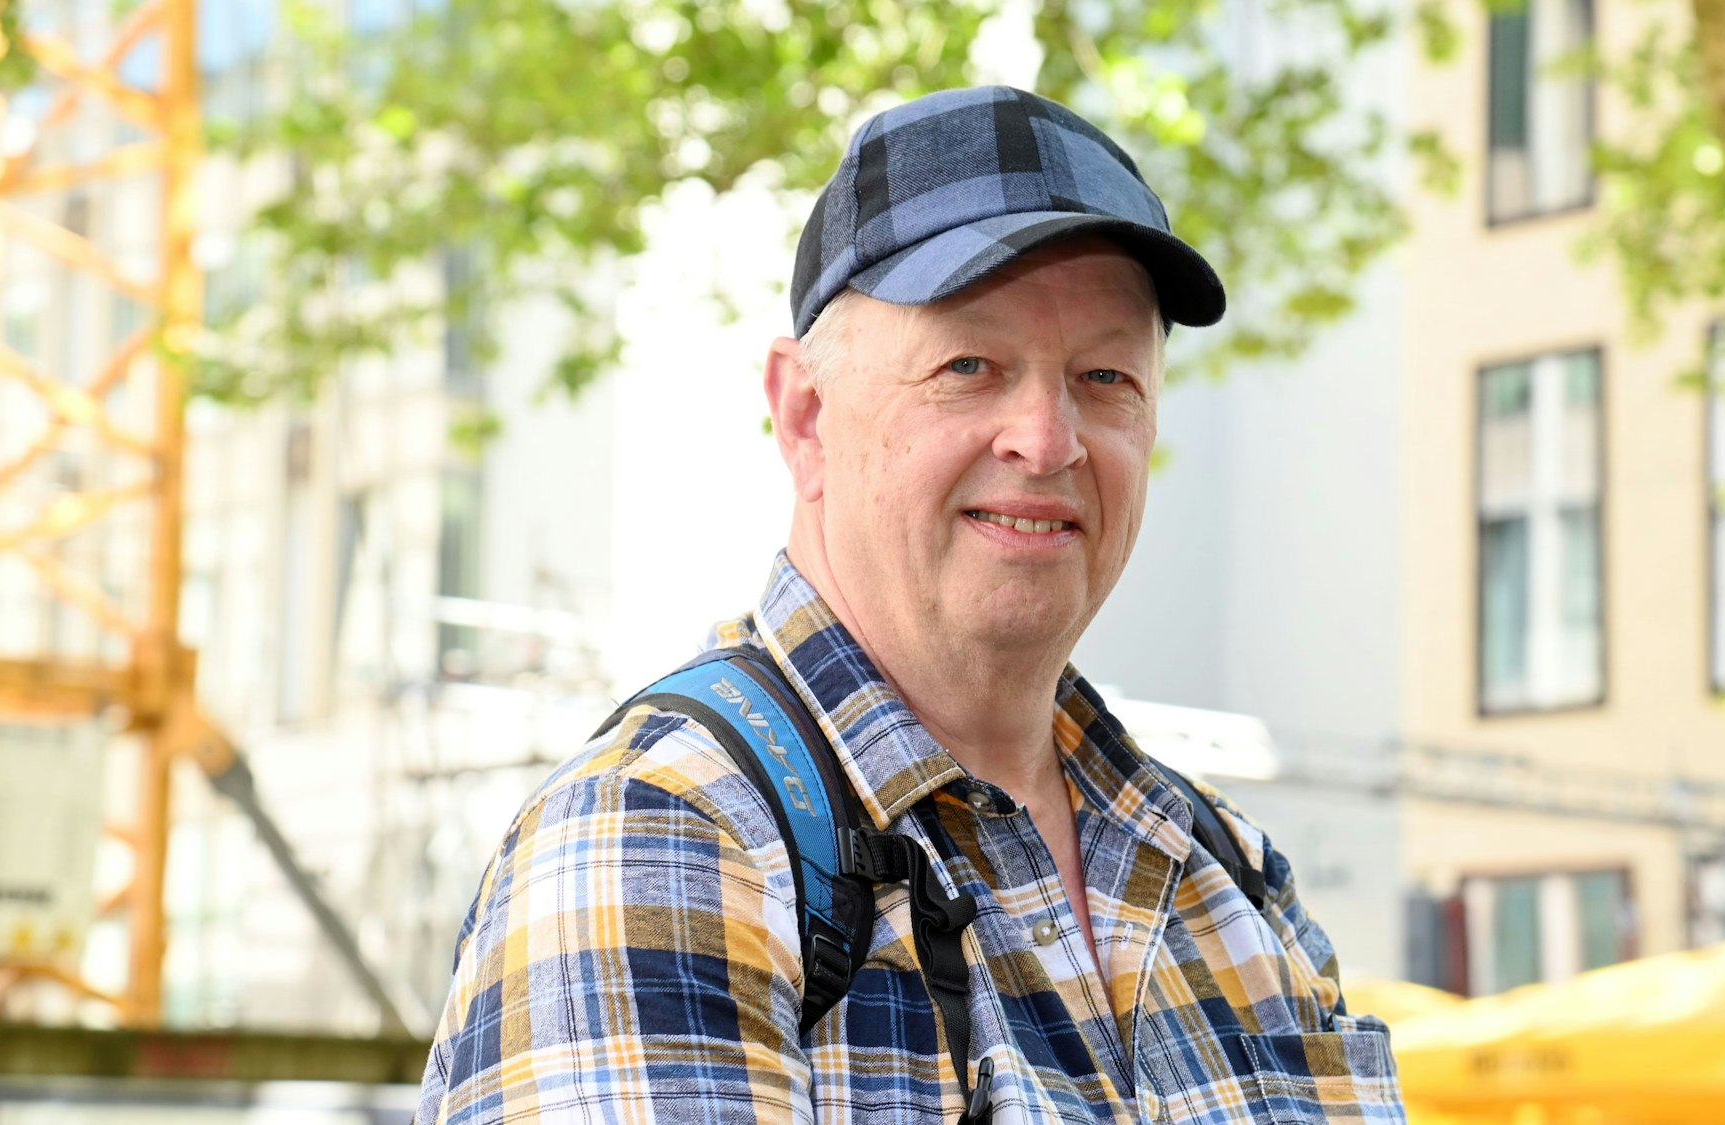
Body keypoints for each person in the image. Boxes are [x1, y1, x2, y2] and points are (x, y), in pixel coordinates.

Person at [415, 85, 1404, 1124]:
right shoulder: (667, 838)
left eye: (1103, 376)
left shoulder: (1226, 877)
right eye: (967, 366)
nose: (1047, 437)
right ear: (804, 417)